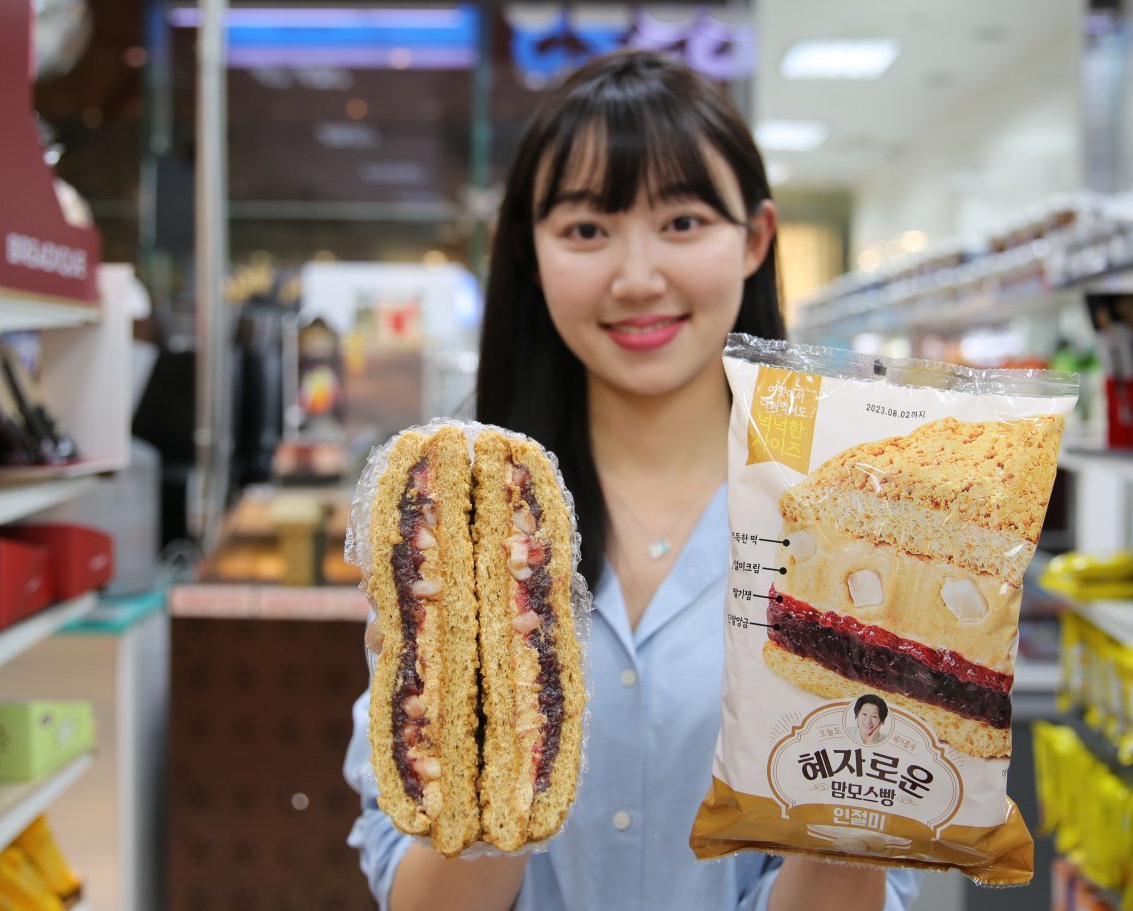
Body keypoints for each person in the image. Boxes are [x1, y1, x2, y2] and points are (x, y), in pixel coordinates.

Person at [344, 49, 922, 911]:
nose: (638, 277)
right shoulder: (461, 519)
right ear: (529, 251)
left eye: (682, 221)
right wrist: (470, 738)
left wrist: (860, 776)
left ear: (755, 239)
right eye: (586, 229)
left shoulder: (848, 528)